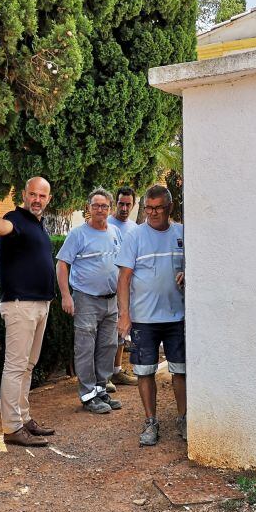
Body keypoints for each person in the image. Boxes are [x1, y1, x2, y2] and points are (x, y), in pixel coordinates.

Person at [0, 177, 57, 447]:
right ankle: (11, 427)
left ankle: (23, 418)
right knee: (16, 367)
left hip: (40, 304)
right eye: (32, 194)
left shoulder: (38, 226)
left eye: (42, 196)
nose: (37, 200)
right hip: (21, 304)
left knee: (28, 366)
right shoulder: (15, 218)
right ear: (23, 194)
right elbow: (4, 226)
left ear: (48, 199)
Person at [116, 184, 186, 447]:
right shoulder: (135, 236)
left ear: (169, 208)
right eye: (148, 208)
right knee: (145, 372)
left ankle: (183, 418)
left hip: (176, 317)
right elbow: (123, 278)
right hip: (144, 319)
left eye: (158, 208)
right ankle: (150, 422)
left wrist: (189, 274)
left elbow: (198, 265)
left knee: (181, 370)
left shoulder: (181, 233)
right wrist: (124, 314)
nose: (153, 213)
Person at [56, 188, 123, 415]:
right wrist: (66, 295)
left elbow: (122, 264)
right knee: (85, 347)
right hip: (85, 299)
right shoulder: (78, 234)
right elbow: (62, 264)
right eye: (95, 206)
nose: (100, 210)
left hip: (111, 300)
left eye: (104, 206)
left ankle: (100, 389)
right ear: (89, 208)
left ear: (110, 209)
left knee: (108, 345)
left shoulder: (115, 232)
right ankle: (87, 395)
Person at [106, 186, 138, 387]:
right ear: (115, 204)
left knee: (121, 331)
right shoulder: (105, 224)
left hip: (127, 289)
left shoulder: (136, 229)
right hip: (106, 288)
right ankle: (103, 375)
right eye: (121, 203)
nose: (124, 208)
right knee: (105, 334)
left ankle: (116, 370)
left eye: (128, 204)